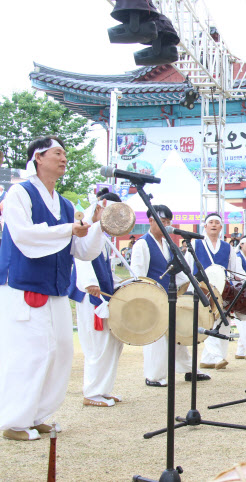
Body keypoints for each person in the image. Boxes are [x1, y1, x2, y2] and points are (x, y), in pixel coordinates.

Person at [0, 135, 104, 441]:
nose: (63, 158)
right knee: (29, 353)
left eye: (64, 154)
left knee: (59, 351)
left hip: (56, 288)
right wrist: (68, 229)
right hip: (24, 285)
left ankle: (37, 414)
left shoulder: (66, 203)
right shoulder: (20, 192)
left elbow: (82, 250)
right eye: (57, 153)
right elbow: (25, 236)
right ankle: (14, 421)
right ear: (38, 158)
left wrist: (96, 225)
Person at [132, 205, 209, 387]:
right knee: (156, 338)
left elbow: (179, 271)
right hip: (152, 299)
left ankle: (188, 369)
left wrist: (192, 285)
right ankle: (154, 376)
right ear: (151, 221)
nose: (166, 225)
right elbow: (138, 274)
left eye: (168, 222)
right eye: (162, 221)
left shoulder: (168, 244)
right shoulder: (142, 244)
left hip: (171, 297)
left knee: (178, 333)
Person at [68, 192, 124, 408]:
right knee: (96, 345)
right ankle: (91, 392)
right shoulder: (87, 228)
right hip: (91, 297)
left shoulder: (103, 235)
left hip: (104, 295)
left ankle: (103, 389)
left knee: (112, 344)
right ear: (101, 206)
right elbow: (80, 258)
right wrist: (91, 284)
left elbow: (107, 269)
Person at [191, 213, 240, 371]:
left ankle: (209, 359)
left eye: (217, 223)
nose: (213, 225)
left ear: (221, 227)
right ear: (204, 226)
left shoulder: (227, 247)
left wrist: (240, 284)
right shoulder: (196, 244)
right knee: (209, 321)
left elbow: (235, 269)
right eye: (210, 222)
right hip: (203, 289)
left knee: (224, 323)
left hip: (223, 290)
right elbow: (187, 267)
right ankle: (217, 356)